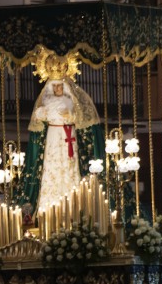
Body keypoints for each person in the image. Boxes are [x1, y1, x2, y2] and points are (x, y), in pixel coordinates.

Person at [14, 75, 102, 216]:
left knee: (70, 165)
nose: (57, 89)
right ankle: (48, 209)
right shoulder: (47, 101)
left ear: (64, 86)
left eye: (59, 86)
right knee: (52, 164)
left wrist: (70, 116)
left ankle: (74, 207)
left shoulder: (71, 100)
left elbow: (80, 117)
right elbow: (39, 116)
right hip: (54, 135)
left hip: (68, 134)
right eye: (54, 86)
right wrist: (41, 113)